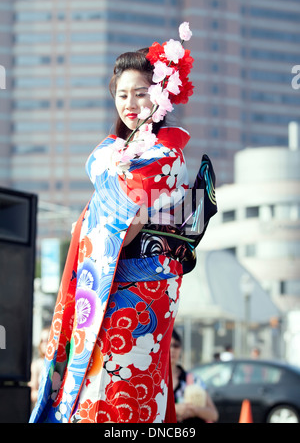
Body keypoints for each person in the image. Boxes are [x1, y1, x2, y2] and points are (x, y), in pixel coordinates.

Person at [29, 22, 217, 424]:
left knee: (122, 386)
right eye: (122, 94)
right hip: (107, 281)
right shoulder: (117, 151)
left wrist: (106, 189)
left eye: (141, 94)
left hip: (139, 287)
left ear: (162, 96)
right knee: (96, 386)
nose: (130, 104)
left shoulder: (165, 153)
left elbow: (125, 224)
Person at [171, 329, 219, 424]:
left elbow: (214, 414)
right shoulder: (154, 380)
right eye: (168, 344)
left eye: (176, 345)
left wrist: (192, 410)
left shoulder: (193, 379)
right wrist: (175, 409)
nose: (172, 349)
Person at [28, 327, 50, 407]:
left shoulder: (60, 365)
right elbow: (32, 393)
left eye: (47, 340)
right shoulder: (36, 365)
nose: (44, 343)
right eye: (42, 341)